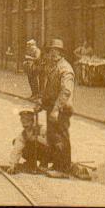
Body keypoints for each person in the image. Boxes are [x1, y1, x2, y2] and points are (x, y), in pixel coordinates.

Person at [41, 38, 75, 179]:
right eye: (51, 51)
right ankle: (56, 164)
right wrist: (42, 104)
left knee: (61, 137)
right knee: (52, 136)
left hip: (61, 109)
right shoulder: (53, 66)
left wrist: (55, 109)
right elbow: (50, 89)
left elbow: (66, 91)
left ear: (61, 53)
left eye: (56, 51)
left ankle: (63, 168)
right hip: (52, 107)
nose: (53, 54)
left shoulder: (65, 69)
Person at [9, 107, 49, 175]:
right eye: (23, 120)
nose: (25, 124)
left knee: (35, 142)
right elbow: (17, 149)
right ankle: (31, 162)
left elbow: (51, 143)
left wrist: (38, 138)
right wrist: (13, 164)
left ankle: (44, 164)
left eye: (27, 120)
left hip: (48, 154)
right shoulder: (23, 134)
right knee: (16, 141)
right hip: (36, 152)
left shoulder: (42, 128)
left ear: (32, 120)